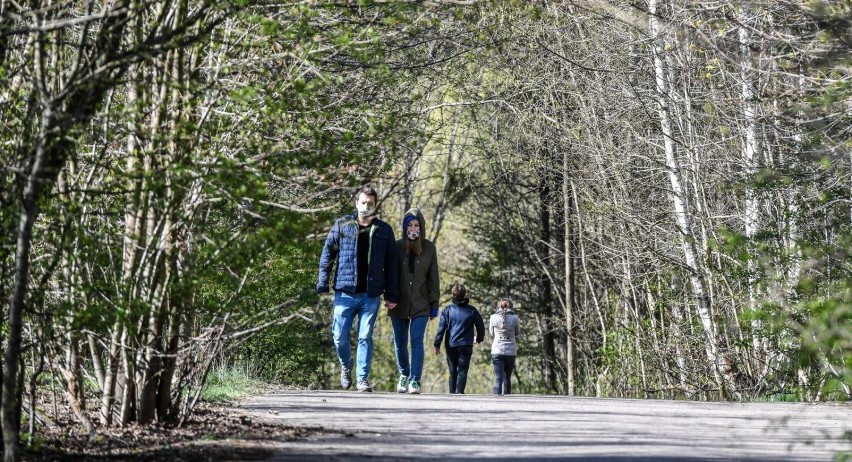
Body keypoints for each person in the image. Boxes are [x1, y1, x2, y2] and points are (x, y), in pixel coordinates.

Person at [317, 185, 399, 392]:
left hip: (370, 295)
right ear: (356, 203)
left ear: (376, 205)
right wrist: (322, 283)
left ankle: (362, 379)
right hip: (344, 292)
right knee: (339, 336)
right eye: (363, 203)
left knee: (365, 337)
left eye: (370, 203)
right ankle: (346, 366)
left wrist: (391, 294)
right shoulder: (342, 224)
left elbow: (391, 264)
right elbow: (328, 254)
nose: (366, 207)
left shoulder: (384, 230)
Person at [388, 209, 440, 395]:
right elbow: (390, 275)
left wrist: (435, 304)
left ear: (422, 227)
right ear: (404, 226)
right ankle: (404, 374)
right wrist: (389, 297)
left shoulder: (429, 248)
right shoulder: (396, 246)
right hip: (398, 303)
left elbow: (434, 278)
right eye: (409, 225)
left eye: (416, 225)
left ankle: (415, 380)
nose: (413, 228)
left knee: (416, 341)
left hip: (421, 304)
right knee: (400, 343)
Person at [433, 283, 484, 394]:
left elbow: (441, 328)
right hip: (466, 344)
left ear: (453, 294)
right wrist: (479, 338)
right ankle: (459, 393)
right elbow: (480, 326)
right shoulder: (472, 310)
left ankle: (452, 394)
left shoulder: (447, 310)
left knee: (453, 371)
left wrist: (437, 344)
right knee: (462, 371)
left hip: (451, 344)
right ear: (464, 294)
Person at [489, 298, 520, 395]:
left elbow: (491, 333)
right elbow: (517, 333)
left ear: (499, 306)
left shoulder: (493, 317)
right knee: (507, 378)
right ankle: (508, 401)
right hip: (510, 351)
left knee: (498, 378)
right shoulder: (515, 318)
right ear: (511, 306)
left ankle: (497, 401)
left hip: (497, 350)